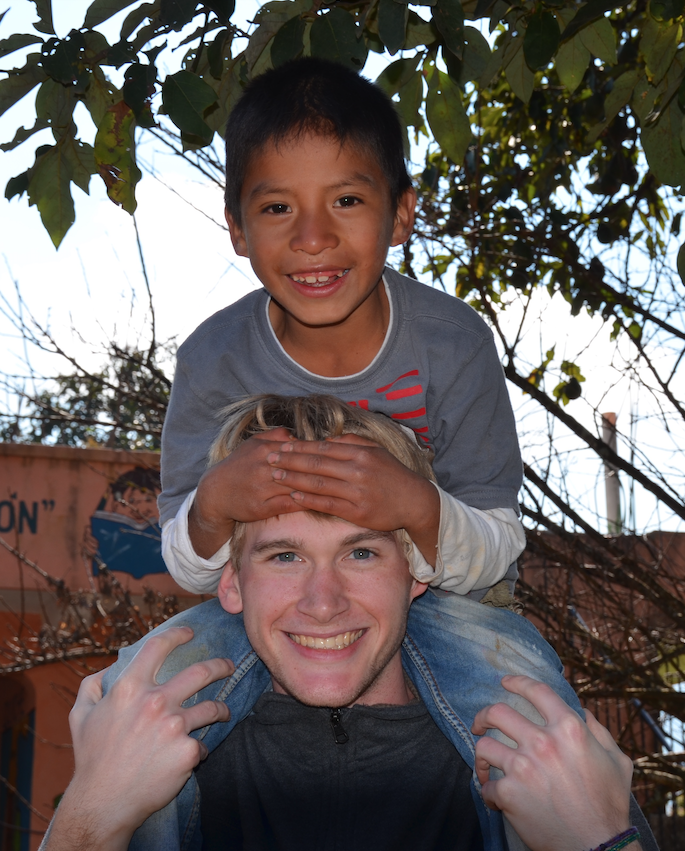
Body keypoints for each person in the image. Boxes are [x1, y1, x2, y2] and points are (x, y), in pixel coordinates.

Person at [37, 396, 659, 851]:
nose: (324, 601)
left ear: (417, 572)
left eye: (361, 554)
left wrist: (603, 844)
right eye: (285, 556)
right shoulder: (155, 764)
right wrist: (91, 817)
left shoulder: (528, 762)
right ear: (229, 581)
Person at [160, 56, 526, 604]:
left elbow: (500, 543)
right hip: (282, 612)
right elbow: (187, 566)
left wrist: (416, 507)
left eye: (347, 201)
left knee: (519, 688)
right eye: (278, 207)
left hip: (448, 608)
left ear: (400, 214)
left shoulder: (452, 344)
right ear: (237, 228)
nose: (313, 237)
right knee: (151, 679)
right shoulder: (213, 360)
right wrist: (213, 504)